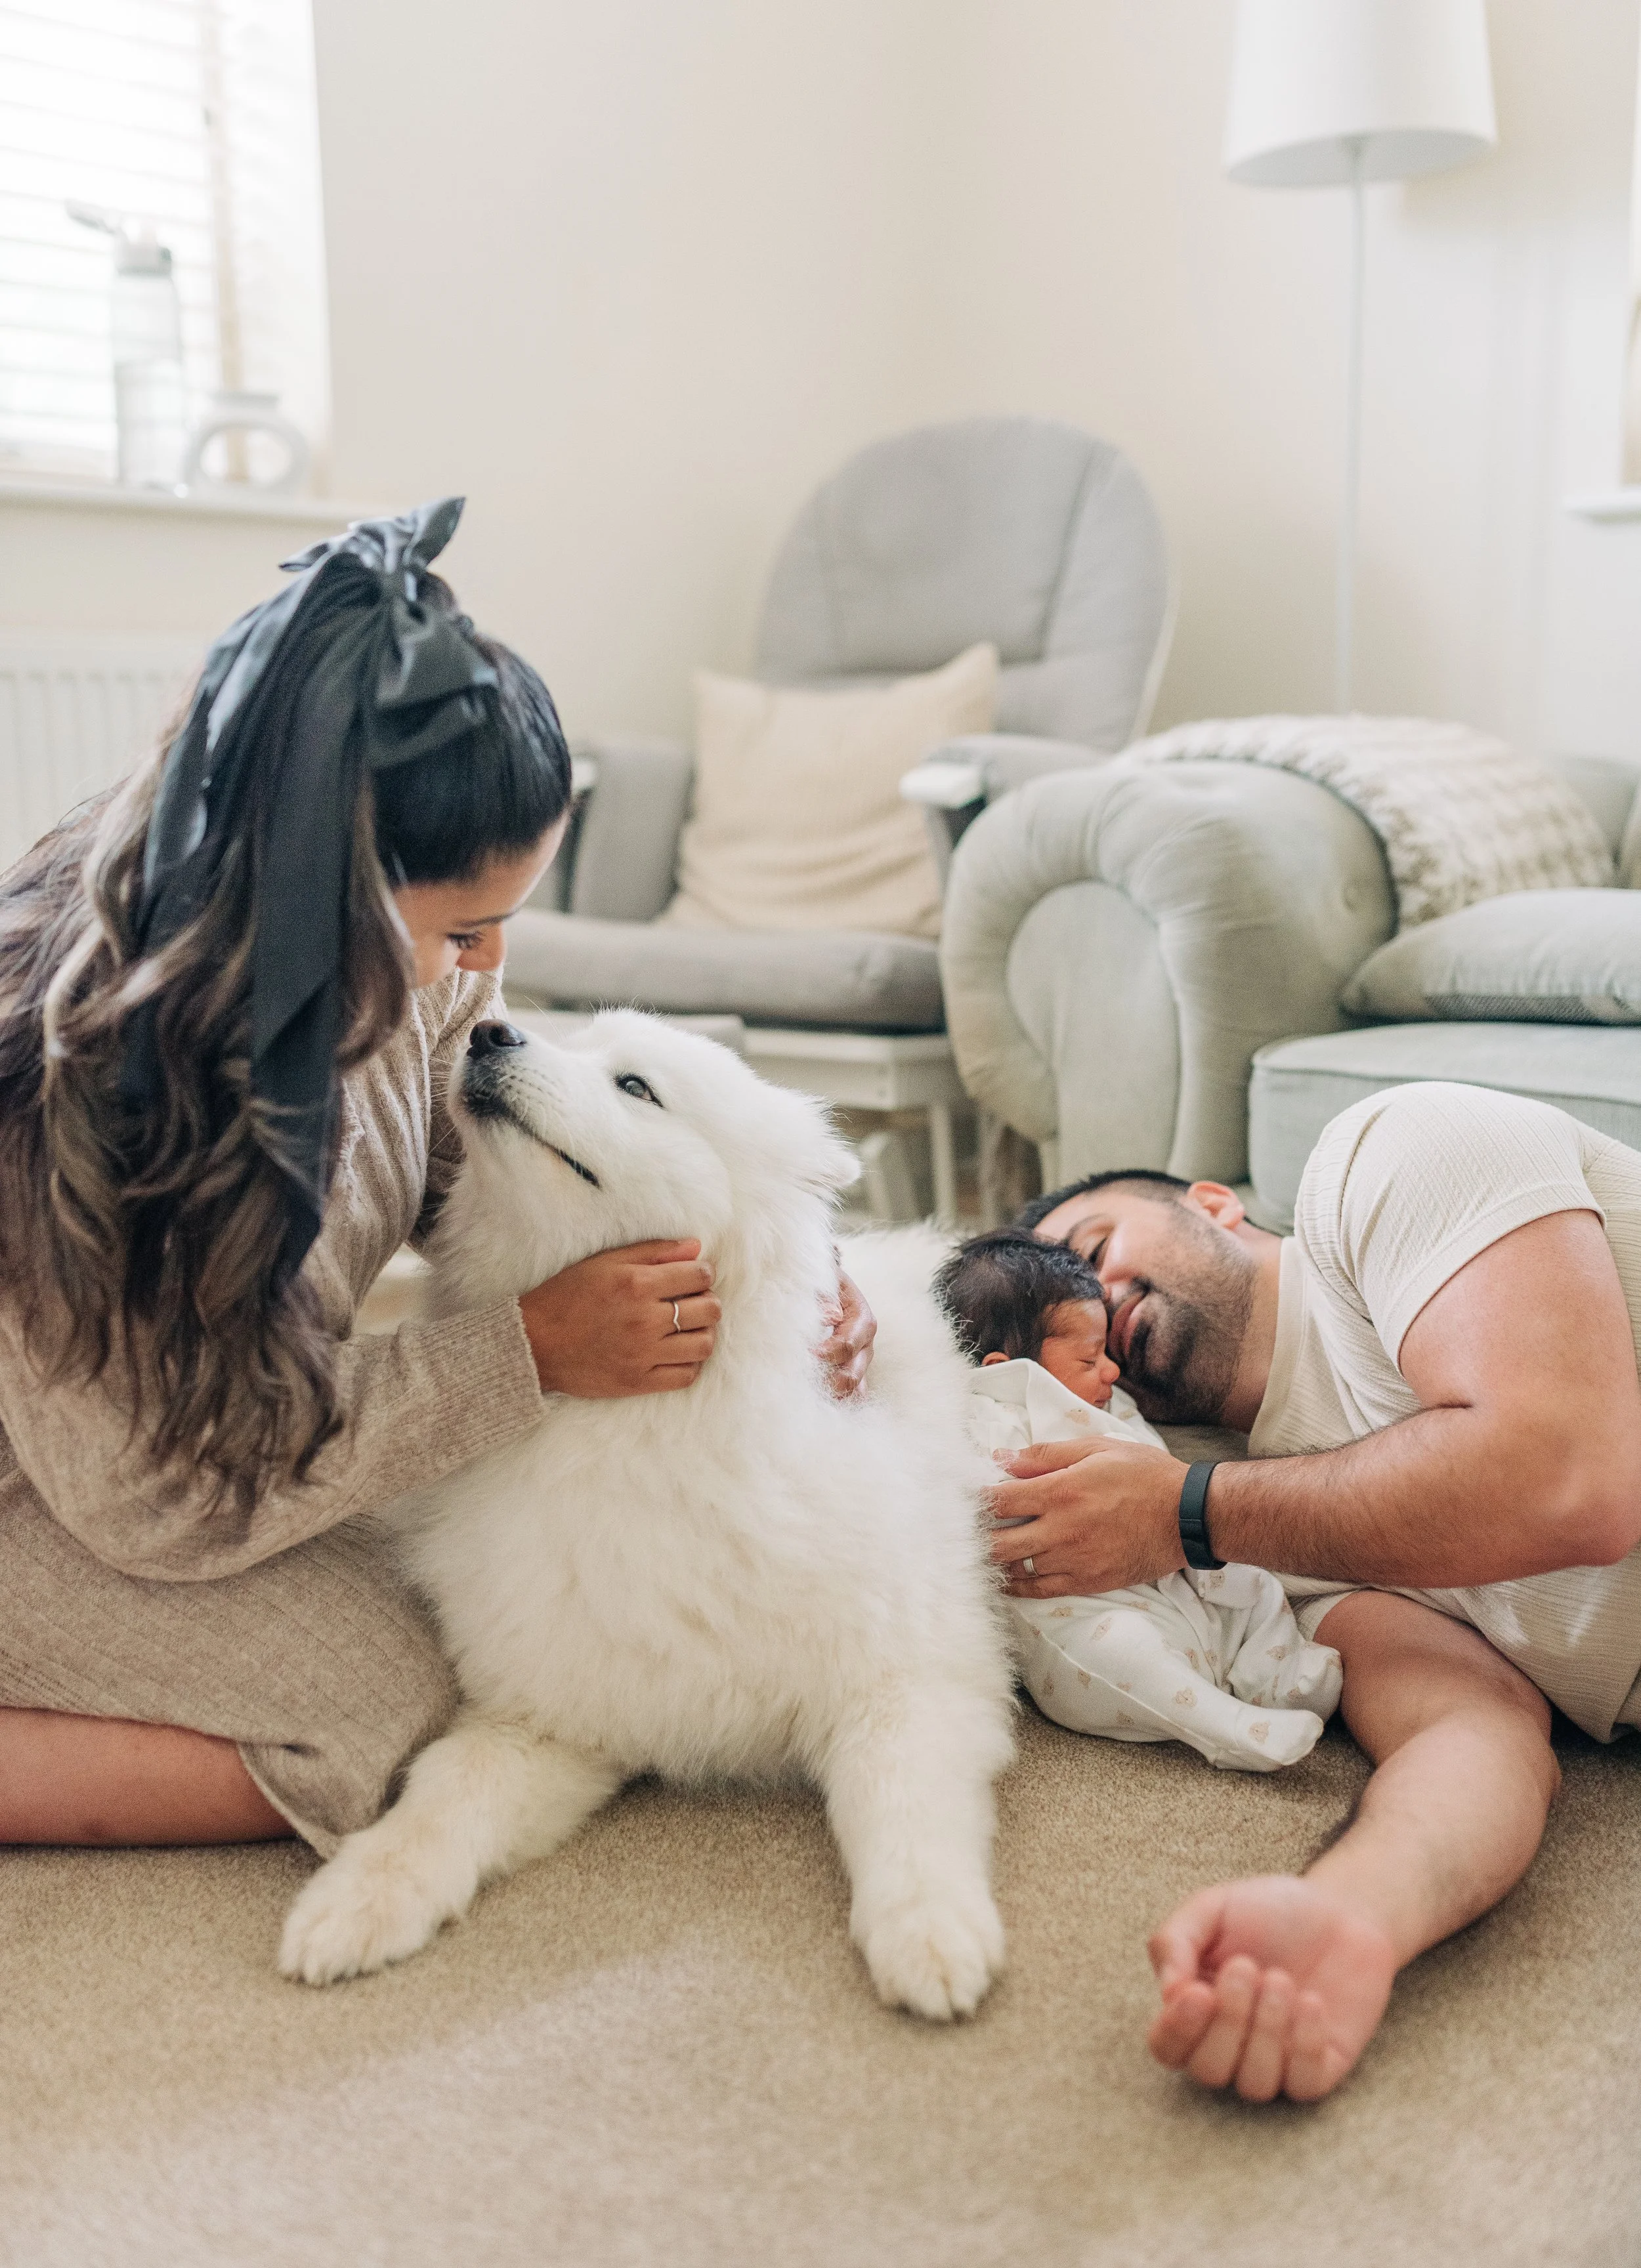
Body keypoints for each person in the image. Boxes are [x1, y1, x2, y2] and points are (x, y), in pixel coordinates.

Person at [0, 501, 872, 1855]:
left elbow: (470, 1135)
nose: (479, 970)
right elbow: (151, 1493)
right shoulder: (95, 1081)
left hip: (147, 1457)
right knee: (373, 1707)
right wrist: (517, 1353)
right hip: (66, 1480)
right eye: (461, 928)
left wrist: (769, 1271)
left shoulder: (381, 957)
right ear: (321, 884)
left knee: (466, 1615)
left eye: (501, 927)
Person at [987, 1084, 1641, 2104]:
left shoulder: (1388, 1156)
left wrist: (1185, 1511)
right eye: (1047, 1333)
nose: (1086, 1308)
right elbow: (1475, 1728)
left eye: (1091, 1249)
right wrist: (1355, 1913)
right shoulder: (1262, 1550)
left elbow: (1572, 1476)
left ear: (1213, 1202)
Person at [935, 1232, 1340, 1774]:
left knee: (1260, 1584)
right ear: (1004, 1365)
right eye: (1088, 1357)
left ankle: (1277, 1674)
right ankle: (1224, 1728)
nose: (1110, 1370)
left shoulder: (1116, 1403)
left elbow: (1160, 1469)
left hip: (1179, 1570)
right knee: (1119, 1650)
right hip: (1087, 1607)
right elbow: (980, 1497)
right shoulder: (990, 1413)